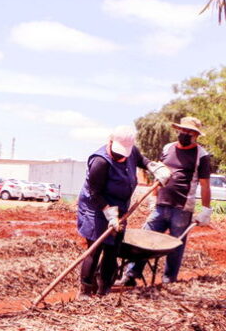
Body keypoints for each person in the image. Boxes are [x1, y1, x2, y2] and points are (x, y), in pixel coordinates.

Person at [119, 117, 212, 285]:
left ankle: (169, 280)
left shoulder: (202, 155)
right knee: (144, 238)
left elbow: (205, 185)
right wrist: (154, 198)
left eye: (189, 132)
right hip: (161, 205)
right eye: (182, 130)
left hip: (182, 208)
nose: (184, 134)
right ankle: (131, 275)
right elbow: (159, 173)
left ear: (196, 135)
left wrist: (206, 209)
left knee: (175, 246)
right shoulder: (168, 148)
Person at [76, 126, 165, 297]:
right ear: (110, 142)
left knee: (113, 250)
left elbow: (142, 161)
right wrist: (109, 214)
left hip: (121, 209)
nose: (121, 156)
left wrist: (155, 168)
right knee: (95, 248)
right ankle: (86, 292)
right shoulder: (100, 162)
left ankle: (104, 291)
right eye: (118, 153)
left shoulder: (130, 152)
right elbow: (95, 193)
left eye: (124, 153)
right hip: (96, 207)